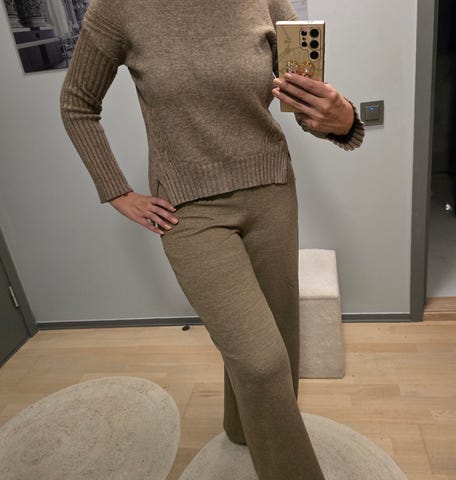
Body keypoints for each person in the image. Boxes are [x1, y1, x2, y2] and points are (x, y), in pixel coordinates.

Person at [59, 0, 365, 478]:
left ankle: (242, 429)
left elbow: (303, 99)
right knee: (262, 362)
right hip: (189, 211)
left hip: (272, 193)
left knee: (280, 346)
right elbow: (77, 103)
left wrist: (343, 119)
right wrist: (117, 192)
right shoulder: (118, 7)